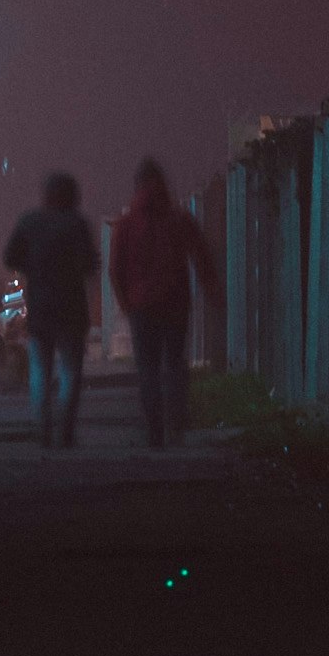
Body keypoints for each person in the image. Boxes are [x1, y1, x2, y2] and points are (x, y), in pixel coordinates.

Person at [108, 157, 218, 448]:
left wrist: (125, 302)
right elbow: (202, 257)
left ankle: (155, 429)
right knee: (174, 363)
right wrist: (213, 292)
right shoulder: (179, 219)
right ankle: (177, 423)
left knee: (148, 368)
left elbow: (115, 269)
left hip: (141, 306)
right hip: (175, 301)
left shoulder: (127, 225)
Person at [3, 171, 100, 448]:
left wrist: (32, 268)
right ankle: (66, 429)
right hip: (71, 308)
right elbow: (90, 264)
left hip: (41, 309)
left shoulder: (30, 222)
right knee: (71, 370)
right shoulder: (77, 224)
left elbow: (10, 257)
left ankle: (43, 428)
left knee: (40, 371)